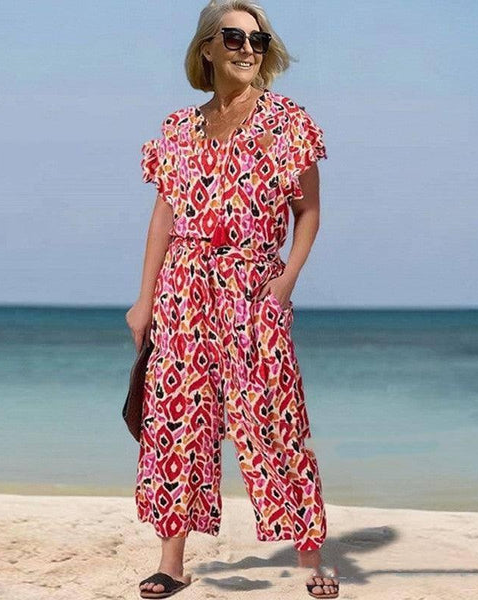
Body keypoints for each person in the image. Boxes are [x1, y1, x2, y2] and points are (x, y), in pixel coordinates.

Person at [126, 1, 340, 597]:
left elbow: (309, 212)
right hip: (182, 289)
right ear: (207, 48)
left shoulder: (287, 122)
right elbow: (163, 217)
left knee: (275, 417)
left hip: (253, 285)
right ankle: (171, 563)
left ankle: (311, 561)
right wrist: (143, 300)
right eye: (235, 37)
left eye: (259, 40)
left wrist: (286, 280)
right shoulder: (178, 129)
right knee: (176, 420)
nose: (249, 49)